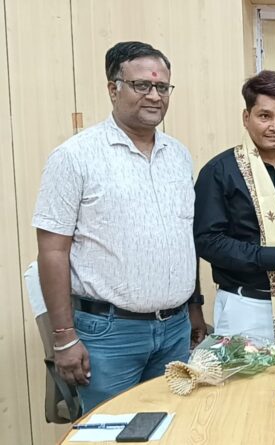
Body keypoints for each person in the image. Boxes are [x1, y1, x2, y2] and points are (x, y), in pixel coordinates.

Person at [33, 41, 205, 411]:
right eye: (141, 85)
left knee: (174, 427)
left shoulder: (178, 156)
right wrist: (63, 337)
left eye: (162, 87)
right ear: (113, 89)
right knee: (111, 431)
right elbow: (52, 250)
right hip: (109, 335)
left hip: (175, 330)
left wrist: (194, 311)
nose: (154, 96)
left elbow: (184, 239)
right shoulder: (75, 157)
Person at [194, 70, 275, 345]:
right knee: (246, 376)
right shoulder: (220, 171)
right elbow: (207, 242)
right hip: (246, 307)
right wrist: (272, 257)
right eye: (265, 116)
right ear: (246, 117)